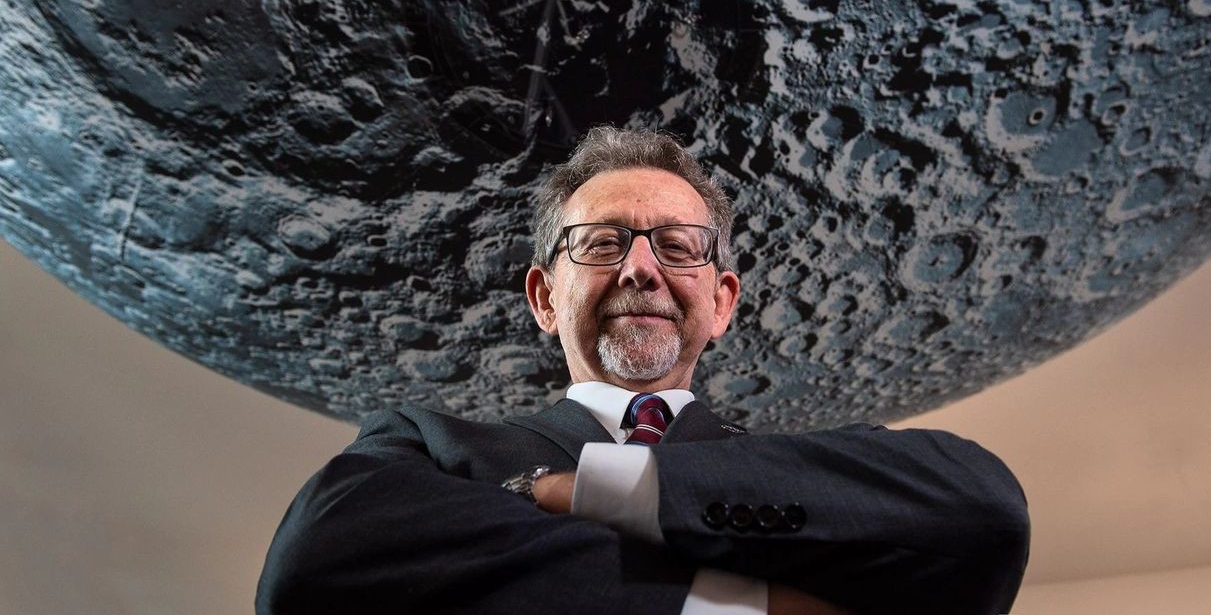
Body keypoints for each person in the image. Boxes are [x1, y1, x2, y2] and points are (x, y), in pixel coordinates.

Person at [256, 126, 1030, 614]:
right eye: (601, 243)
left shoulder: (813, 474)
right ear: (544, 297)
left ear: (721, 302)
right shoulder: (427, 447)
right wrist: (739, 606)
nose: (639, 268)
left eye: (678, 246)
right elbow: (314, 563)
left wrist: (587, 493)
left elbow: (984, 512)